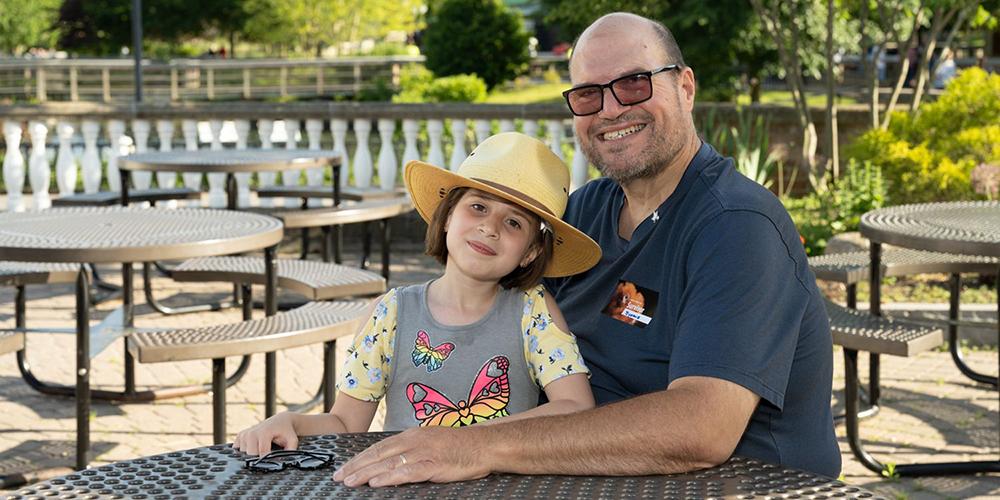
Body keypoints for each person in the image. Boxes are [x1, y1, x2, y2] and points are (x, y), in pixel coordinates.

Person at [333, 11, 840, 487]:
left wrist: (475, 445)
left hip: (731, 485)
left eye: (634, 83)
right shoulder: (584, 214)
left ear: (685, 88)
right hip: (583, 474)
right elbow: (501, 321)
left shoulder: (735, 227)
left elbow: (700, 428)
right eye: (588, 94)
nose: (612, 108)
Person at [233, 132, 601, 455]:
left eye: (513, 222)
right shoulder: (391, 313)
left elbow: (576, 406)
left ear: (531, 252)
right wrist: (290, 422)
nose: (489, 227)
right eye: (478, 207)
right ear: (447, 218)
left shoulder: (533, 312)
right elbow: (345, 424)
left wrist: (469, 442)